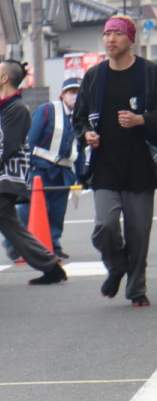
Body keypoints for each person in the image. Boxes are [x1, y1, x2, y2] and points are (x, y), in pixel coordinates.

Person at [73, 15, 157, 306]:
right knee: (105, 226)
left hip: (141, 164)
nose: (111, 39)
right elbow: (79, 119)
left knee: (139, 234)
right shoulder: (95, 75)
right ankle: (117, 264)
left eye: (118, 34)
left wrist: (141, 120)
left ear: (131, 40)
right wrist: (86, 134)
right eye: (107, 34)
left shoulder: (149, 72)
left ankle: (136, 290)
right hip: (105, 164)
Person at [0, 60, 66, 287]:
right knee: (14, 230)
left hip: (6, 179)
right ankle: (52, 267)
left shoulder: (17, 109)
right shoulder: (1, 105)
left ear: (5, 79)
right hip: (2, 180)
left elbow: (7, 147)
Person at [17, 77, 82, 263]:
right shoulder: (47, 110)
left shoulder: (81, 117)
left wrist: (82, 176)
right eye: (72, 92)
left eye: (79, 92)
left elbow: (80, 149)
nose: (75, 96)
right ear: (63, 94)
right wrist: (26, 167)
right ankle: (18, 246)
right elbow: (31, 140)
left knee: (57, 211)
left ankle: (53, 245)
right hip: (40, 168)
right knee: (30, 209)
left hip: (64, 172)